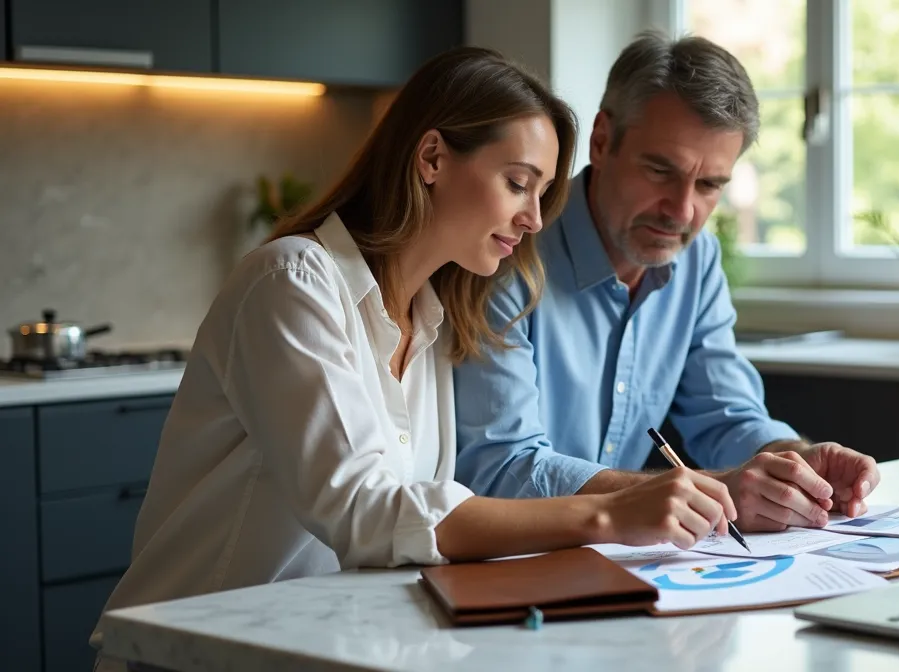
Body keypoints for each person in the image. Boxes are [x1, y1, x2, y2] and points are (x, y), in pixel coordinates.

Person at [90, 46, 739, 672]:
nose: (535, 220)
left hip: (320, 645)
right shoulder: (292, 283)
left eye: (542, 193)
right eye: (518, 184)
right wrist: (608, 512)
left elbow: (413, 529)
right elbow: (366, 510)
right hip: (189, 651)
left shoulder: (437, 320)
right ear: (432, 158)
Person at [453, 32, 881, 533]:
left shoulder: (697, 259)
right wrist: (717, 488)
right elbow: (500, 470)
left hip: (617, 557)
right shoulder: (507, 248)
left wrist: (795, 462)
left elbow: (725, 415)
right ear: (601, 141)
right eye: (660, 171)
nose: (681, 211)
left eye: (709, 185)